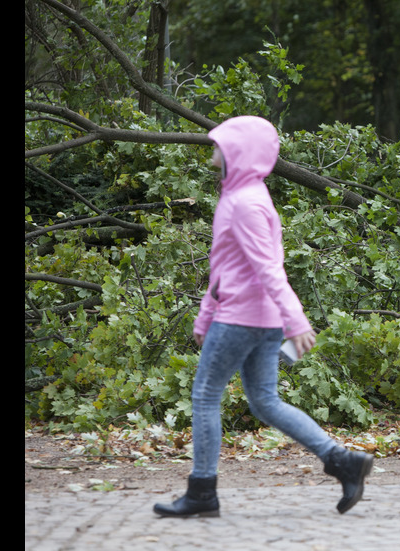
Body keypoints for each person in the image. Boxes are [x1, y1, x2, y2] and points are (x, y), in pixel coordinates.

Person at [154, 115, 373, 518]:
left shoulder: (244, 204)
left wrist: (297, 321)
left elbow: (269, 268)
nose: (213, 149)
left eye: (220, 143)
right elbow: (222, 267)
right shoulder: (245, 196)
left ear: (239, 152)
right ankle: (343, 461)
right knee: (265, 402)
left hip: (242, 318)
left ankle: (202, 493)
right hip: (259, 319)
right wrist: (205, 319)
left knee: (204, 397)